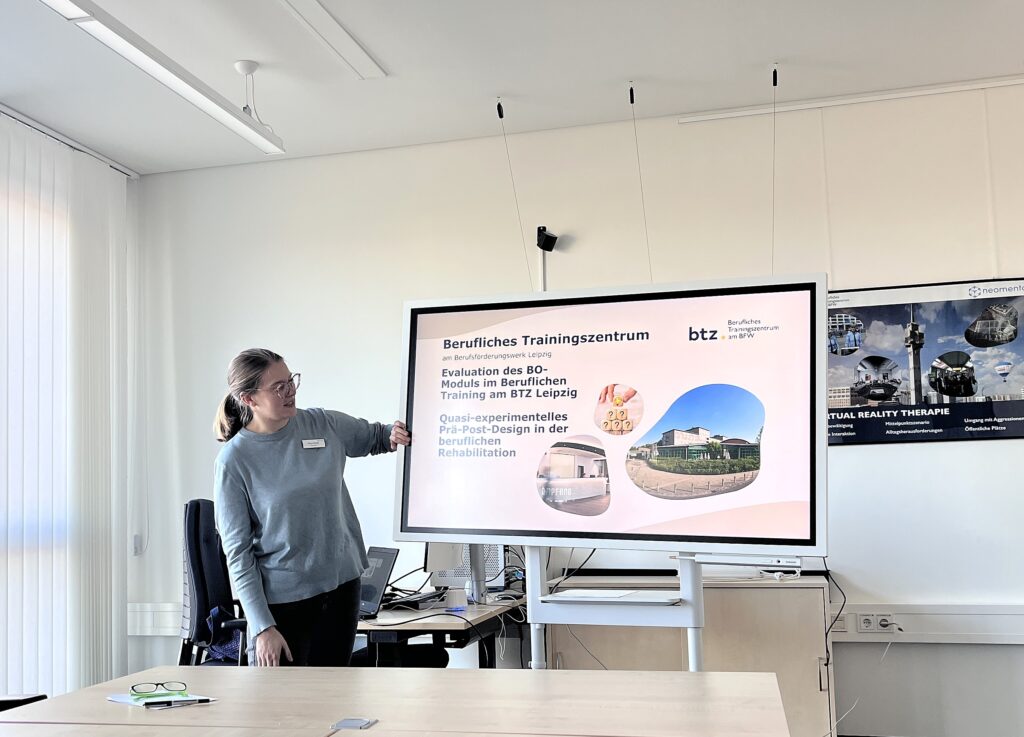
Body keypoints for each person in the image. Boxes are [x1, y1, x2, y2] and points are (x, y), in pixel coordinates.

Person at [212, 348, 410, 667]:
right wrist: (262, 627)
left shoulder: (321, 424)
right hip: (283, 605)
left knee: (334, 692)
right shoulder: (234, 461)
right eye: (278, 387)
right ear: (249, 399)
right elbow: (238, 553)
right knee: (283, 699)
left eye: (291, 381)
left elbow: (377, 436)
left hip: (342, 588)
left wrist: (395, 434)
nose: (290, 391)